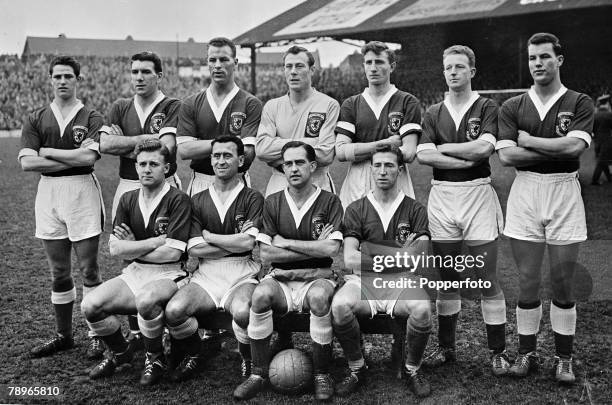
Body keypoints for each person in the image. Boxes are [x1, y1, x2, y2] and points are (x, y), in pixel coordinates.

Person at [496, 33, 594, 384]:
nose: (537, 63)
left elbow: (574, 150)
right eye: (532, 58)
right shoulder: (512, 106)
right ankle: (526, 354)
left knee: (563, 281)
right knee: (527, 279)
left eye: (544, 57)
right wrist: (555, 147)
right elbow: (507, 156)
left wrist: (530, 140)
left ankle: (564, 358)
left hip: (564, 192)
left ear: (559, 60)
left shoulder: (580, 102)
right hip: (526, 192)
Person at [416, 45, 508, 375]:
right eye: (448, 67)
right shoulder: (432, 111)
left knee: (486, 277)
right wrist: (463, 156)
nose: (453, 72)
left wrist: (445, 148)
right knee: (447, 276)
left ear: (472, 71)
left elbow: (485, 147)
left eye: (459, 66)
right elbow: (424, 155)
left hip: (477, 195)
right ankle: (446, 348)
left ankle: (497, 350)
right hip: (442, 196)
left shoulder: (486, 106)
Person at [233, 141, 343, 402]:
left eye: (299, 162)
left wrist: (287, 242)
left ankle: (321, 374)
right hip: (281, 277)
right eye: (288, 163)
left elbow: (331, 250)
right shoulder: (272, 202)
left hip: (318, 276)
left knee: (318, 299)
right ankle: (258, 374)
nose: (293, 168)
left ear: (313, 166)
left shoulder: (329, 201)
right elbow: (267, 254)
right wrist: (314, 247)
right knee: (259, 297)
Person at [81, 139, 191, 386]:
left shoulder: (178, 200)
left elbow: (172, 254)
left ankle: (155, 358)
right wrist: (154, 242)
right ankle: (121, 353)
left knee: (146, 301)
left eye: (154, 163)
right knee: (90, 306)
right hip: (136, 271)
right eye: (142, 164)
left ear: (167, 168)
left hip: (170, 274)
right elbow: (114, 248)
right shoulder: (128, 198)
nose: (146, 169)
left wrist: (132, 247)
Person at [19, 56, 105, 359]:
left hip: (82, 190)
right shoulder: (36, 117)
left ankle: (97, 333)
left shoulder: (91, 116)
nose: (63, 81)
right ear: (50, 79)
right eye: (57, 76)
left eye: (69, 76)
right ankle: (64, 335)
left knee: (89, 269)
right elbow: (28, 162)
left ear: (78, 80)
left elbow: (88, 159)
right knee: (58, 271)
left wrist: (51, 151)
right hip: (49, 193)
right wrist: (69, 155)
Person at [332, 145, 433, 398]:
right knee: (340, 306)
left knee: (421, 310)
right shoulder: (356, 208)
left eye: (388, 166)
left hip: (402, 282)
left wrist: (370, 253)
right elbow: (349, 258)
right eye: (377, 166)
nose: (382, 171)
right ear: (371, 169)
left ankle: (412, 368)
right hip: (363, 282)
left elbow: (419, 257)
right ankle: (357, 367)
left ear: (400, 170)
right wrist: (399, 254)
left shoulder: (415, 209)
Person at [164, 136, 264, 382]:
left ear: (241, 160)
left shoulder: (253, 197)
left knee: (243, 312)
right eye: (216, 156)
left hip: (242, 273)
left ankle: (247, 358)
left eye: (227, 155)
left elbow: (249, 243)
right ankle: (196, 354)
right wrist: (231, 241)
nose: (221, 161)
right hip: (206, 274)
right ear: (210, 160)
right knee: (174, 311)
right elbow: (195, 249)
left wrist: (211, 236)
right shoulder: (197, 200)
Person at [99, 51, 181, 347]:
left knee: (170, 251)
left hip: (164, 185)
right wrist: (147, 141)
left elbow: (168, 148)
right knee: (127, 249)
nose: (139, 77)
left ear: (159, 75)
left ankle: (169, 325)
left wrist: (128, 143)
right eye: (134, 72)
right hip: (127, 185)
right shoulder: (120, 106)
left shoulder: (172, 105)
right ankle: (137, 331)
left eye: (146, 72)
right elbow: (105, 143)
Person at [335, 41, 421, 208]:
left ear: (392, 66)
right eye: (369, 62)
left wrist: (359, 149)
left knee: (395, 230)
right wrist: (386, 144)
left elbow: (409, 153)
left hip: (395, 176)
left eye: (379, 62)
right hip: (358, 179)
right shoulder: (351, 104)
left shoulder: (407, 101)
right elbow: (341, 152)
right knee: (354, 231)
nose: (373, 68)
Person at [176, 37, 262, 196]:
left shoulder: (251, 103)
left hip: (237, 182)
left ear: (235, 63)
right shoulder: (191, 103)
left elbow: (248, 154)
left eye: (223, 60)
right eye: (212, 60)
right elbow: (184, 150)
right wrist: (233, 142)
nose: (217, 65)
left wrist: (201, 146)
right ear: (207, 63)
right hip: (201, 182)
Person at [256, 45, 339, 196]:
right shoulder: (272, 106)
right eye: (289, 66)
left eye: (299, 66)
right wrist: (312, 142)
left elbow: (326, 154)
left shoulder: (329, 105)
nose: (293, 71)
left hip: (317, 182)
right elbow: (262, 149)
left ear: (312, 70)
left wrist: (280, 150)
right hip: (280, 182)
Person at [591, 94, 612, 185]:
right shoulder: (609, 115)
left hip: (597, 141)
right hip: (607, 140)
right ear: (607, 103)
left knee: (603, 159)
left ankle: (609, 178)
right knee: (602, 161)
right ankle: (595, 180)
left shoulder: (594, 115)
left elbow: (592, 129)